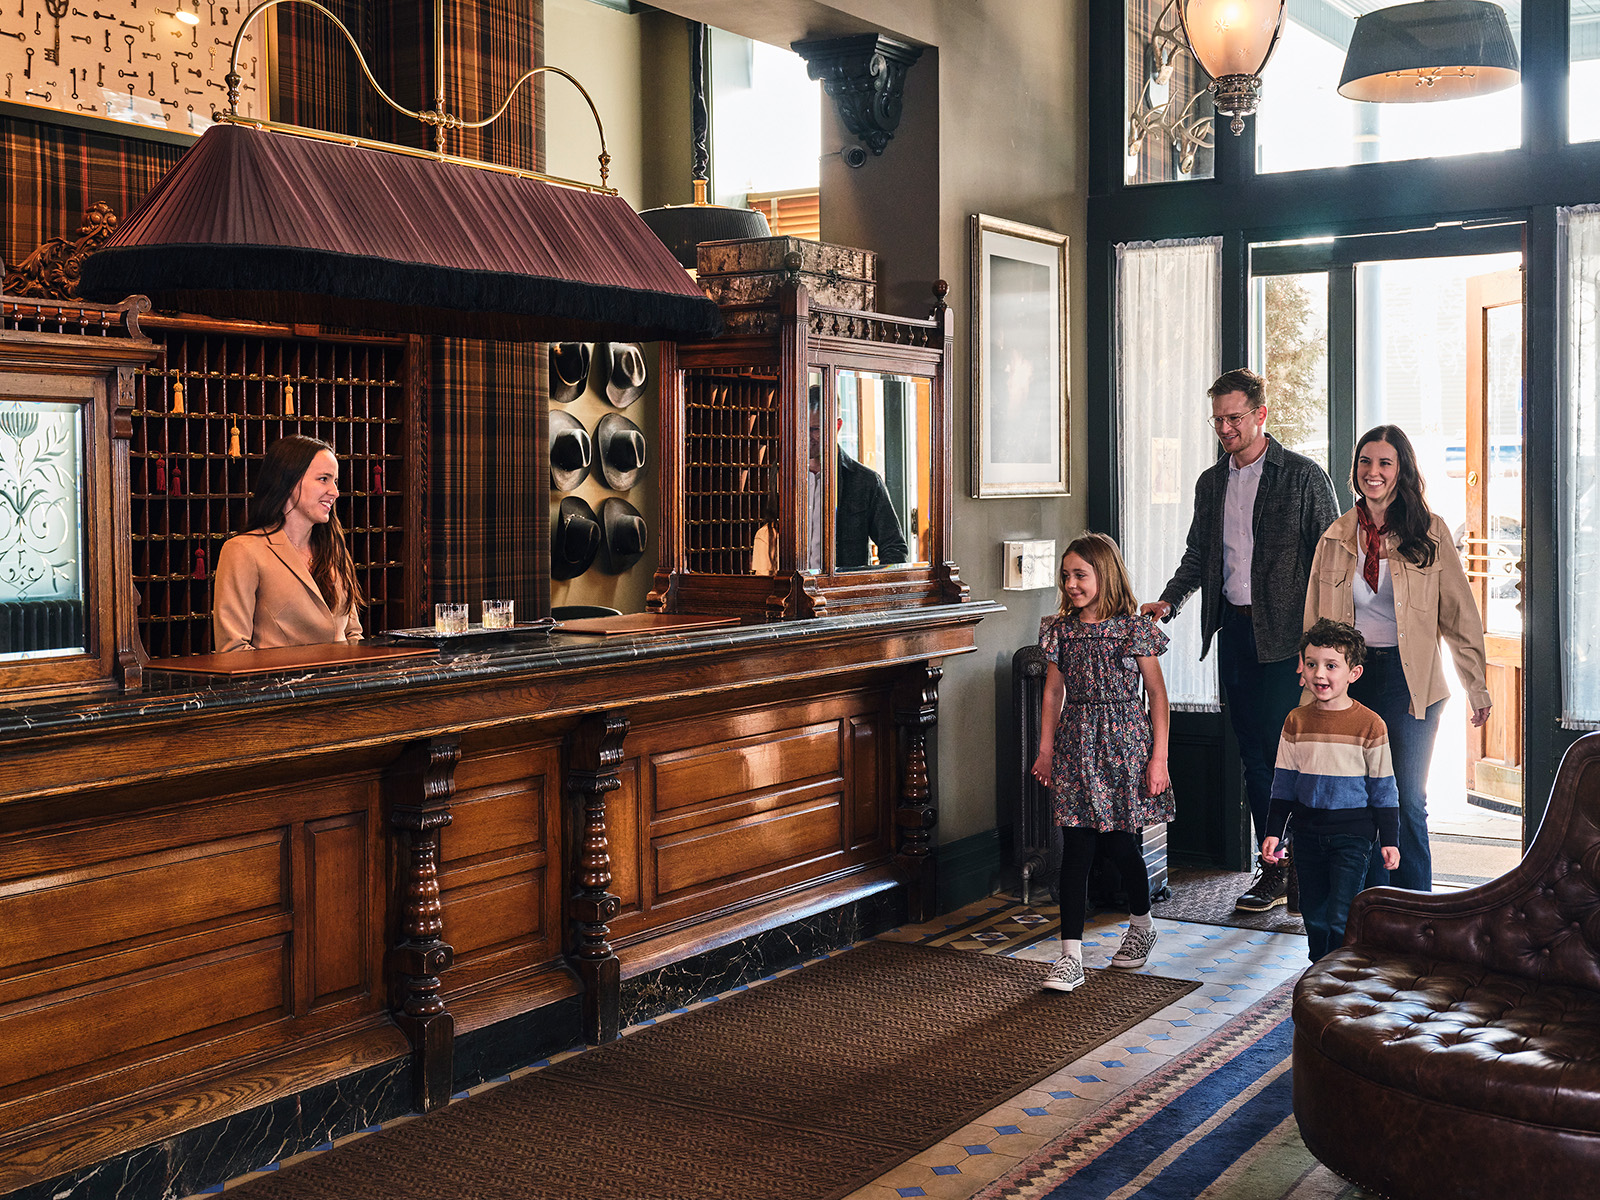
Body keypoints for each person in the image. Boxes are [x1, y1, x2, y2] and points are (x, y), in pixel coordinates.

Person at [1141, 367, 1339, 913]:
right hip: (1235, 633)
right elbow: (1199, 556)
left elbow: (1332, 565)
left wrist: (1324, 649)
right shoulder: (1212, 483)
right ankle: (1274, 869)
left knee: (1295, 758)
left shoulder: (1302, 477)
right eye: (1218, 419)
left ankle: (1309, 867)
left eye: (1234, 418)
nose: (1225, 428)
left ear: (1261, 415)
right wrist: (1170, 600)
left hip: (1291, 643)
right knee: (1254, 759)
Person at [1303, 425, 1491, 891]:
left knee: (1406, 799)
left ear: (1401, 469)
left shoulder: (1429, 533)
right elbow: (1314, 627)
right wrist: (1312, 687)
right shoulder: (1335, 538)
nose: (1374, 472)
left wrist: (1476, 685)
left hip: (1412, 683)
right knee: (1360, 801)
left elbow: (1460, 617)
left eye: (1384, 463)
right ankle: (1367, 916)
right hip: (1351, 684)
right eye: (1366, 462)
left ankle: (1417, 917)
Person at [1031, 532, 1174, 993]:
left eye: (1081, 574)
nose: (1071, 583)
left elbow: (1156, 695)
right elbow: (1053, 692)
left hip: (1124, 743)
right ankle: (1069, 957)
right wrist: (1046, 750)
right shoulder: (1060, 629)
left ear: (1104, 575)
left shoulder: (1134, 629)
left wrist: (1159, 758)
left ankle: (1142, 924)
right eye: (1066, 575)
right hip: (1076, 743)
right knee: (1076, 849)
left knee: (1119, 846)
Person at [1261, 620, 1399, 961]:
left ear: (1354, 673)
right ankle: (1317, 973)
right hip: (1306, 835)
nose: (1320, 674)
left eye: (1331, 665)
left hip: (1352, 835)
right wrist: (1273, 833)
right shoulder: (1296, 721)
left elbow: (1384, 788)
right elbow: (1284, 784)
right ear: (1302, 668)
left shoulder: (1370, 724)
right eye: (1312, 664)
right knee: (1315, 916)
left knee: (1341, 917)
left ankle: (1336, 980)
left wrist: (1390, 839)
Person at [213, 435, 363, 651]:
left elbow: (353, 634)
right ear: (289, 482)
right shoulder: (243, 551)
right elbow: (233, 650)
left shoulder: (334, 549)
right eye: (323, 479)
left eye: (335, 481)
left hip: (341, 683)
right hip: (281, 684)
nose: (335, 492)